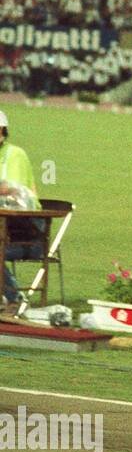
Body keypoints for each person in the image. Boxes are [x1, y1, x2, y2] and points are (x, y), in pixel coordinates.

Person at [0, 109, 40, 307]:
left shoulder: (14, 154)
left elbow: (10, 189)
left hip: (28, 233)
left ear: (2, 131)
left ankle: (15, 298)